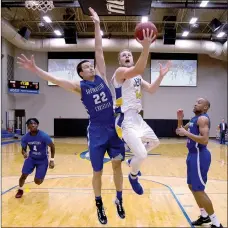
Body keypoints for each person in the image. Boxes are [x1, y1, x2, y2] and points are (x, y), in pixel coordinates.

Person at [17, 7, 125, 225]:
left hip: (113, 128)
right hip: (96, 131)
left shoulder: (102, 76)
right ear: (82, 73)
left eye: (91, 65)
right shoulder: (79, 86)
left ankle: (119, 198)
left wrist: (96, 24)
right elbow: (56, 80)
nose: (91, 67)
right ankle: (99, 203)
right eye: (86, 67)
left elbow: (99, 49)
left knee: (117, 164)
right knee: (98, 171)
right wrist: (36, 70)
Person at [111, 31, 171, 195]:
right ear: (120, 61)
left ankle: (132, 161)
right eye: (124, 55)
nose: (127, 56)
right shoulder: (119, 73)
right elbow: (139, 68)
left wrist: (160, 77)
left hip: (137, 118)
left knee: (154, 143)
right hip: (124, 120)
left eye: (129, 54)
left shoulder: (137, 78)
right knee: (143, 155)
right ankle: (133, 175)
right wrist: (146, 47)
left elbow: (151, 89)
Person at [176, 98, 223, 228]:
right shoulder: (193, 119)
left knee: (199, 190)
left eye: (199, 102)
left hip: (199, 156)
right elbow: (179, 132)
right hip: (192, 155)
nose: (196, 103)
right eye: (195, 101)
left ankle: (216, 223)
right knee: (192, 186)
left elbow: (205, 140)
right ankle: (204, 216)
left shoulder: (203, 119)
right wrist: (180, 119)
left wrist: (186, 133)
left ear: (205, 107)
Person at [15, 118, 55, 198]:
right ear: (28, 126)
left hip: (42, 160)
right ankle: (20, 190)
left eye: (35, 123)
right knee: (23, 175)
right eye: (31, 123)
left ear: (37, 125)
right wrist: (24, 153)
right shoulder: (25, 138)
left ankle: (41, 176)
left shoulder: (44, 136)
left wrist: (52, 160)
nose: (33, 125)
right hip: (31, 159)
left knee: (37, 182)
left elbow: (52, 146)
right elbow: (23, 149)